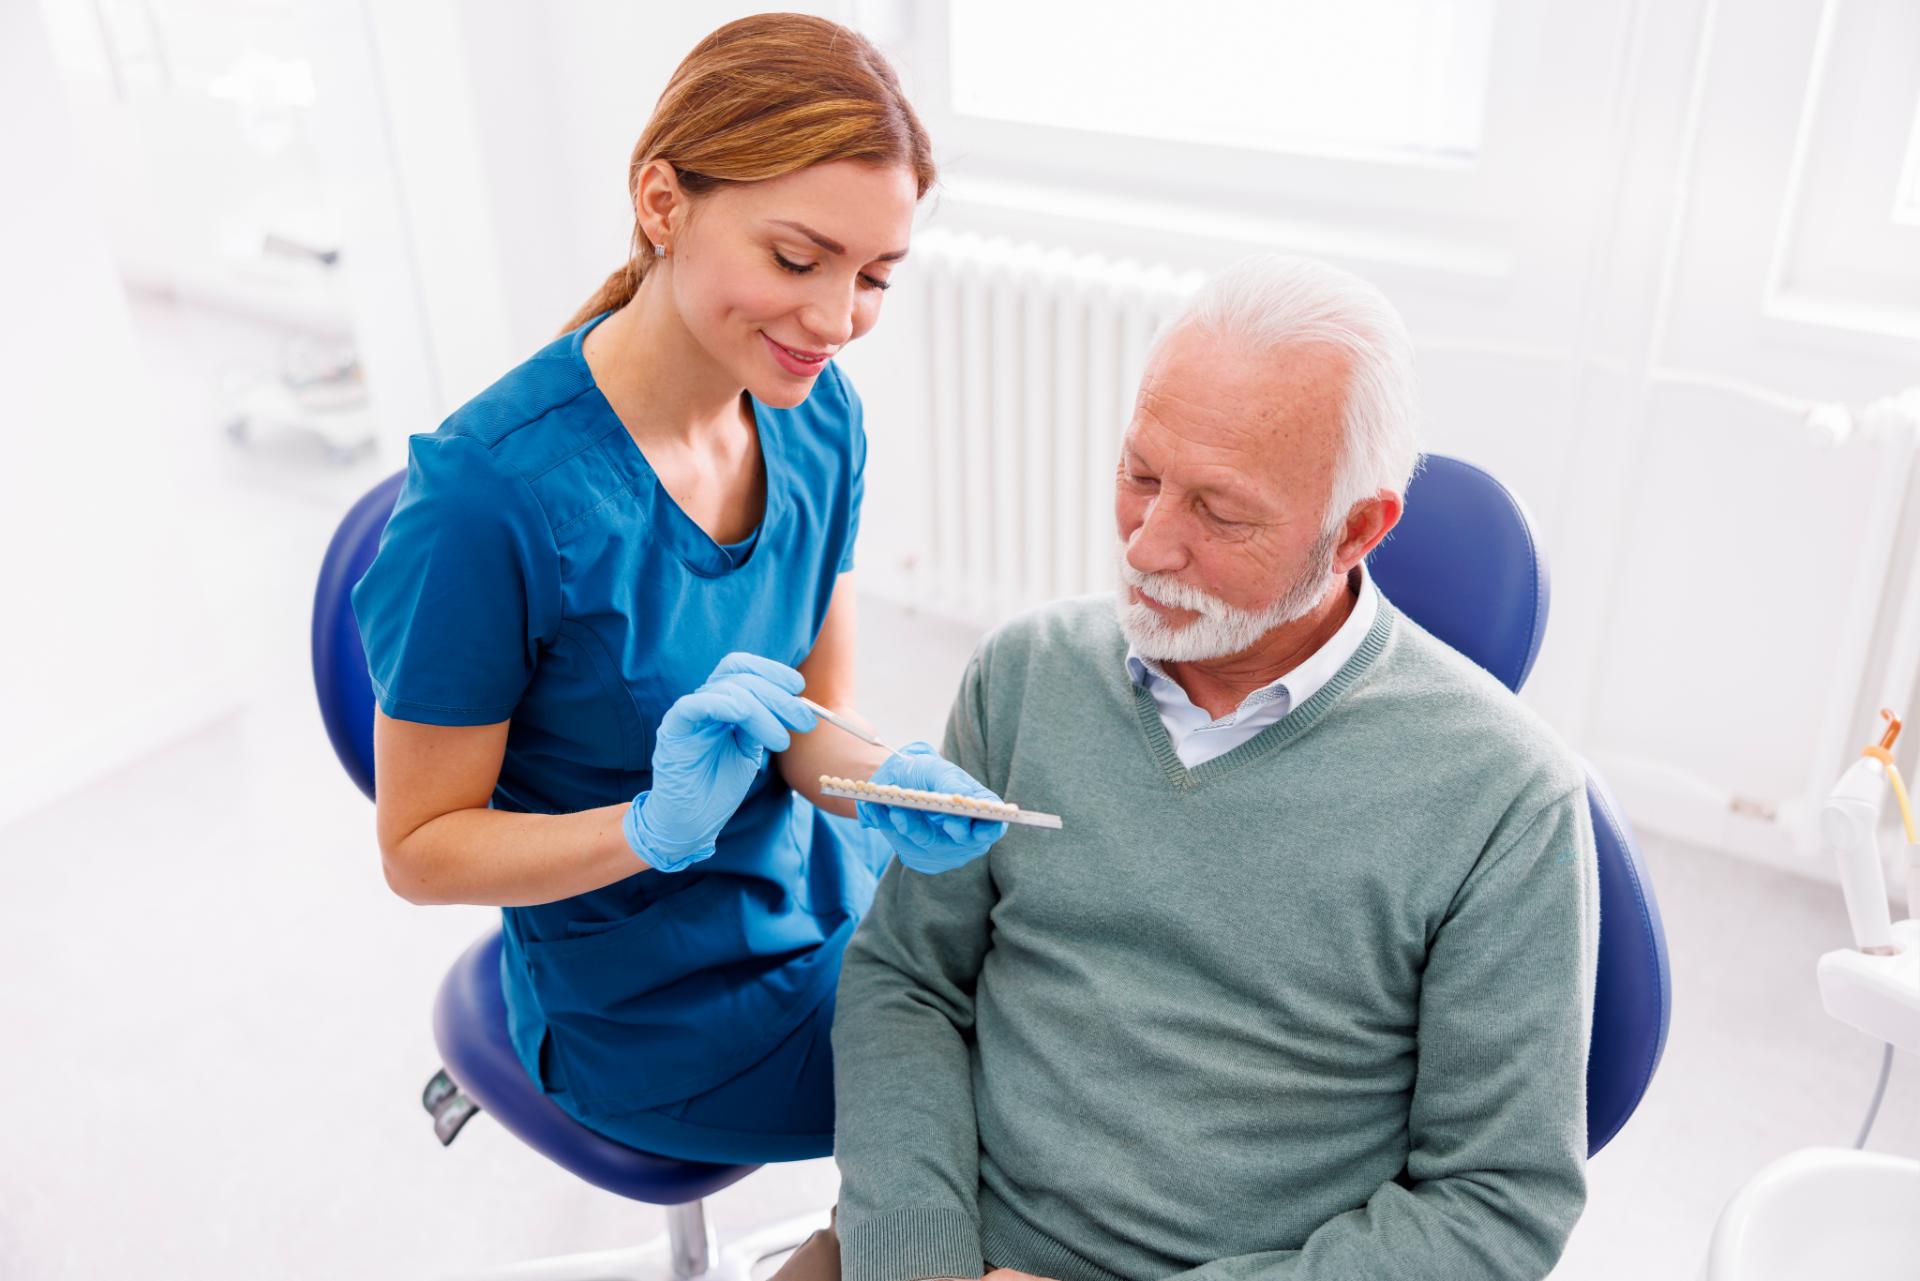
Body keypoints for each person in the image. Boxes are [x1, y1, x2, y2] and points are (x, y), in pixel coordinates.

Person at [785, 255, 1600, 1281]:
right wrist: (920, 1262)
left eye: (1219, 512)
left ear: (1358, 529)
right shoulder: (1028, 675)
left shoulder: (1506, 799)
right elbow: (908, 978)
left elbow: (1496, 1204)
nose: (1150, 546)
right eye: (1140, 475)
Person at [350, 13, 1005, 1166]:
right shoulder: (489, 503)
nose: (835, 319)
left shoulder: (817, 418)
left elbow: (812, 723)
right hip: (651, 1014)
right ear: (664, 201)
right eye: (797, 259)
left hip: (809, 894)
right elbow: (419, 850)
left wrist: (878, 782)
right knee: (1039, 1111)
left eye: (875, 278)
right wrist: (651, 833)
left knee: (1080, 1005)